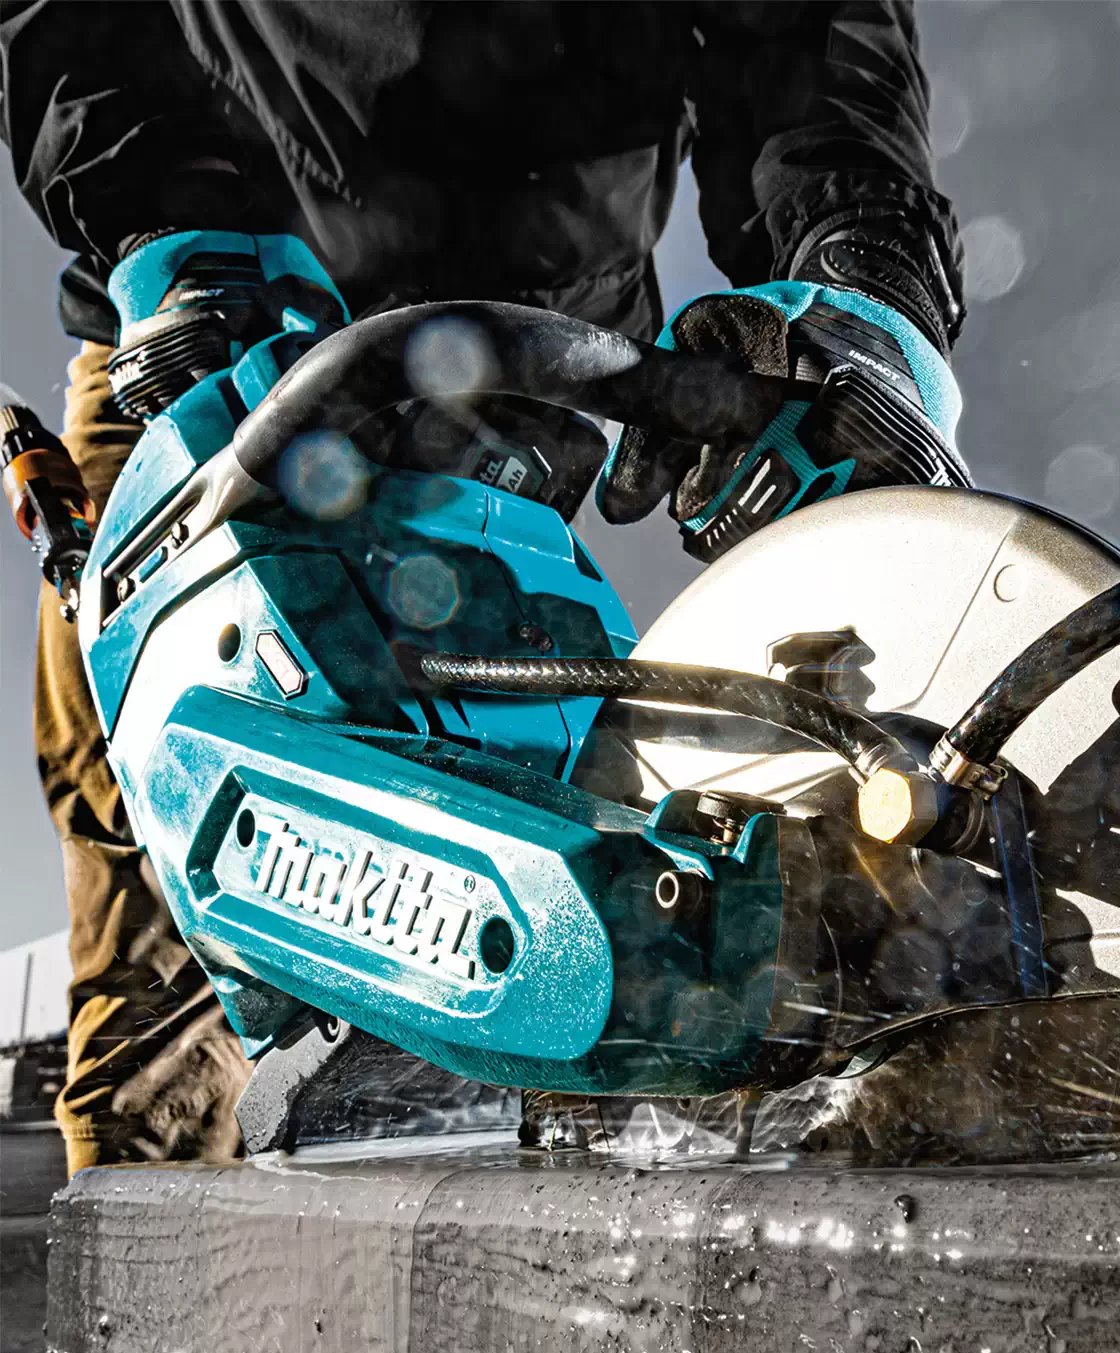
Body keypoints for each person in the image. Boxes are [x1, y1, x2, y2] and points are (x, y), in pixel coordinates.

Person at [0, 1, 966, 1174]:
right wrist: (161, 208)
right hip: (216, 325)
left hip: (521, 361)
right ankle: (164, 1234)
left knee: (533, 854)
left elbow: (805, 37)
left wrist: (862, 275)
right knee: (193, 893)